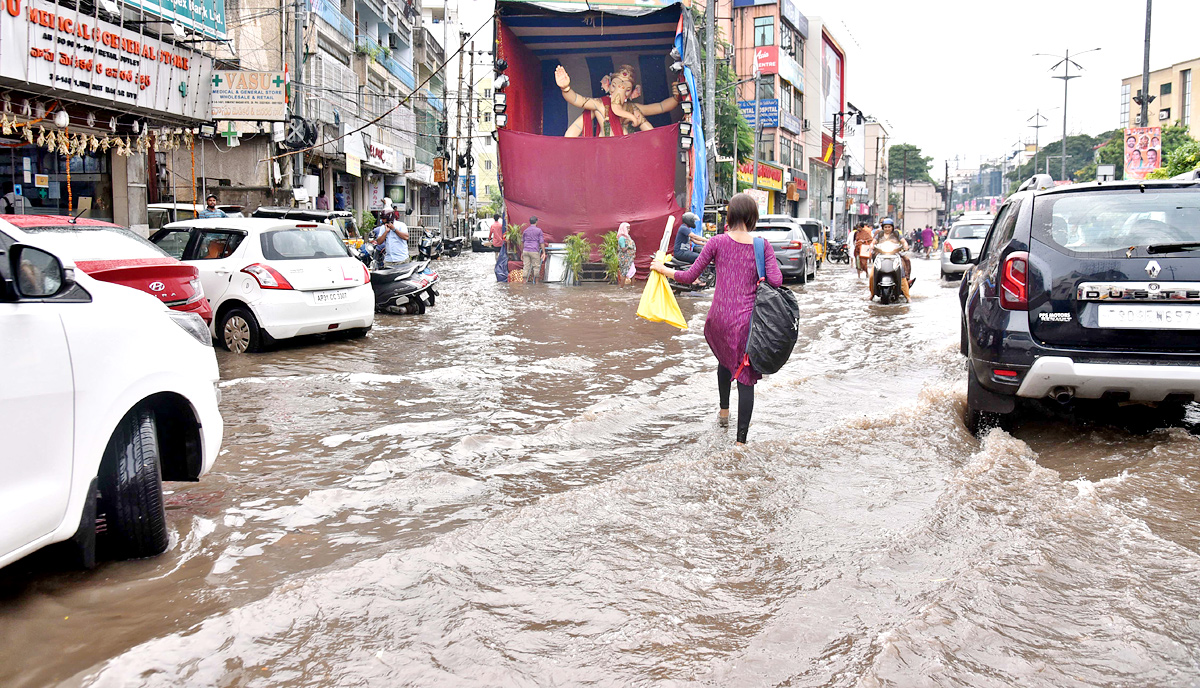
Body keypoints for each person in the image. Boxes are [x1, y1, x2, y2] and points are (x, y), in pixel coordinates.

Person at [650, 193, 782, 445]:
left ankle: (723, 412)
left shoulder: (716, 242)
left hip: (718, 319)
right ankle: (740, 443)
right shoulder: (761, 245)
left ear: (730, 216)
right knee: (745, 376)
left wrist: (662, 268)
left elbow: (689, 276)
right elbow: (776, 281)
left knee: (724, 359)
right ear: (752, 217)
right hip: (745, 323)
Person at [556, 64, 679, 138]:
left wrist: (676, 98)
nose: (619, 91)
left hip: (626, 151)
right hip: (603, 150)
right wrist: (565, 88)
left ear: (634, 93)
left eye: (627, 89)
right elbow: (577, 100)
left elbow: (660, 107)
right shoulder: (599, 104)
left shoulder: (632, 108)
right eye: (615, 86)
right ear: (607, 85)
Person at [870, 218, 911, 301]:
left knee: (905, 262)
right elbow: (873, 241)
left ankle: (907, 296)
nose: (887, 229)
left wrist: (905, 245)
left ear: (892, 227)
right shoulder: (880, 234)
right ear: (883, 227)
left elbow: (903, 241)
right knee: (872, 275)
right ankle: (872, 293)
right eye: (885, 227)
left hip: (895, 254)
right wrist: (871, 246)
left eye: (889, 227)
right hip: (881, 254)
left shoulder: (896, 234)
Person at [522, 216, 546, 284]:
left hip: (526, 250)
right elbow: (541, 242)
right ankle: (536, 283)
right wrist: (544, 252)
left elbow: (522, 242)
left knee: (526, 266)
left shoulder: (525, 231)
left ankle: (524, 283)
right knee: (536, 267)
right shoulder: (539, 230)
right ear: (536, 222)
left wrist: (522, 252)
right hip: (534, 250)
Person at [616, 222, 637, 286]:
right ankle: (621, 288)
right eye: (627, 228)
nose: (628, 230)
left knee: (633, 272)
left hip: (630, 258)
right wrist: (629, 247)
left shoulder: (628, 237)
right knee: (624, 273)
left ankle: (632, 287)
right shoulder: (622, 238)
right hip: (624, 258)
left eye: (629, 228)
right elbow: (623, 249)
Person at [489, 213, 507, 281]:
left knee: (496, 253)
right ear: (499, 218)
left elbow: (490, 233)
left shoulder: (493, 226)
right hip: (501, 241)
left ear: (494, 218)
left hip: (495, 242)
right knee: (501, 253)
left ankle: (497, 263)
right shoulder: (501, 225)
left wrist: (489, 238)